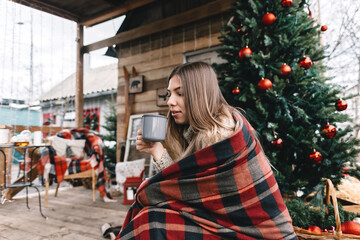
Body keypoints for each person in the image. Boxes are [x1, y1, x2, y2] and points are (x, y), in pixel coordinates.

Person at [116, 62, 297, 240]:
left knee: (151, 222)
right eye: (169, 94)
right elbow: (185, 188)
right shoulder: (191, 132)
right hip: (219, 224)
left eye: (180, 94)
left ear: (199, 95)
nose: (170, 101)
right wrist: (157, 150)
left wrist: (153, 188)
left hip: (253, 233)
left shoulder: (220, 137)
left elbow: (184, 194)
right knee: (151, 218)